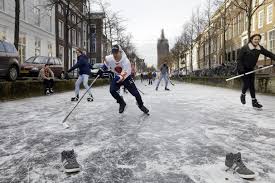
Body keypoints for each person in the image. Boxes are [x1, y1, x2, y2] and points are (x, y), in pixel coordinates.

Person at [98, 45, 149, 114]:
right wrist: (101, 69)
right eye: (113, 52)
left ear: (120, 52)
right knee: (112, 90)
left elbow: (124, 73)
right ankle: (121, 102)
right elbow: (106, 64)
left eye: (116, 52)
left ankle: (141, 105)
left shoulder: (125, 61)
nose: (114, 54)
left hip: (126, 77)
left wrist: (120, 77)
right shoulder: (110, 58)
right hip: (117, 76)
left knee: (136, 94)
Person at [237, 34, 275, 109]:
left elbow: (269, 54)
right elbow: (239, 59)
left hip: (250, 68)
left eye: (258, 39)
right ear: (251, 39)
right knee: (247, 83)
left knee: (252, 85)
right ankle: (243, 95)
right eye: (255, 39)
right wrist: (241, 69)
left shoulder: (259, 48)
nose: (257, 41)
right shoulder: (245, 48)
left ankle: (254, 102)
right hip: (242, 69)